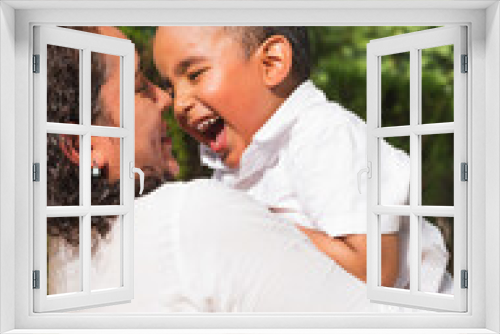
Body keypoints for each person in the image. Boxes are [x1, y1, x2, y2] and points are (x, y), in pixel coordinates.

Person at [153, 26, 451, 292]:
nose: (179, 104)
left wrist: (248, 221)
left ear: (272, 63)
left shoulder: (322, 135)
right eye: (170, 87)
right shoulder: (233, 169)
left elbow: (374, 272)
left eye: (195, 75)